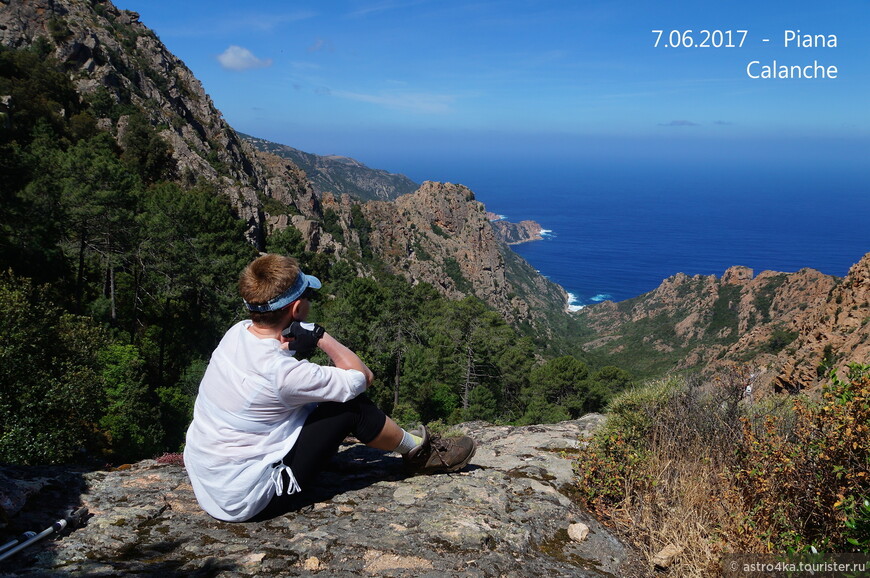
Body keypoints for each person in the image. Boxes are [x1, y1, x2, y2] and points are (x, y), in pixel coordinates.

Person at [183, 253, 477, 522]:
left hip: (212, 481)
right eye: (308, 296)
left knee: (322, 402)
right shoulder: (282, 373)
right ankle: (419, 453)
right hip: (250, 499)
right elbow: (363, 377)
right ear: (297, 308)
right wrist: (322, 337)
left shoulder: (236, 334)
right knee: (350, 408)